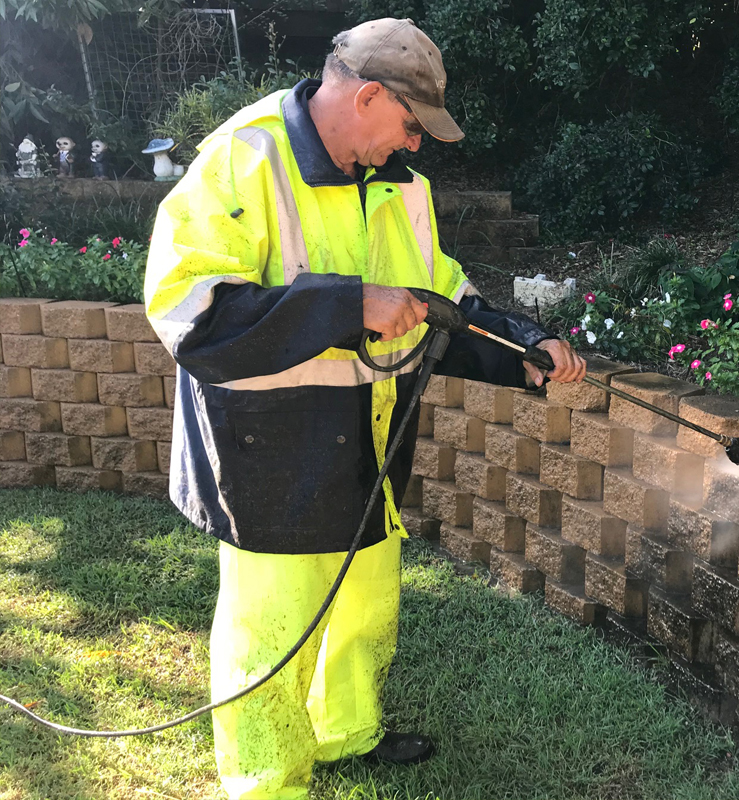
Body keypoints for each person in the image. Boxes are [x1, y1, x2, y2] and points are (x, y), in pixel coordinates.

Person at [142, 18, 586, 799]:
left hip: (371, 436)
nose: (415, 145)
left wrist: (524, 346)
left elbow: (441, 299)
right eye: (411, 125)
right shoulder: (243, 159)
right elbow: (192, 316)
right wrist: (349, 305)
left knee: (365, 602)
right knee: (270, 632)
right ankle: (266, 783)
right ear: (369, 95)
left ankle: (347, 732)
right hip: (267, 449)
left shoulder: (403, 186)